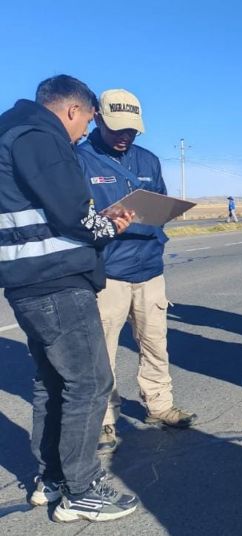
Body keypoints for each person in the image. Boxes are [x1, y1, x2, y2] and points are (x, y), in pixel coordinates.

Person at [0, 75, 139, 522]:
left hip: (31, 280)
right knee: (89, 383)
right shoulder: (41, 134)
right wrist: (107, 225)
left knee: (54, 383)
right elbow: (69, 210)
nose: (81, 135)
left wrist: (94, 220)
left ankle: (54, 478)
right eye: (85, 123)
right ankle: (81, 489)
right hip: (55, 281)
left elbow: (45, 209)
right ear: (74, 111)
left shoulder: (11, 129)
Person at [77, 89, 197, 455]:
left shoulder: (147, 161)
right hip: (108, 271)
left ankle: (159, 405)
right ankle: (103, 419)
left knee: (155, 343)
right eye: (117, 129)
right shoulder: (80, 159)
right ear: (97, 118)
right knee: (103, 351)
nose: (124, 136)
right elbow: (75, 216)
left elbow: (158, 200)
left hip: (149, 267)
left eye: (131, 130)